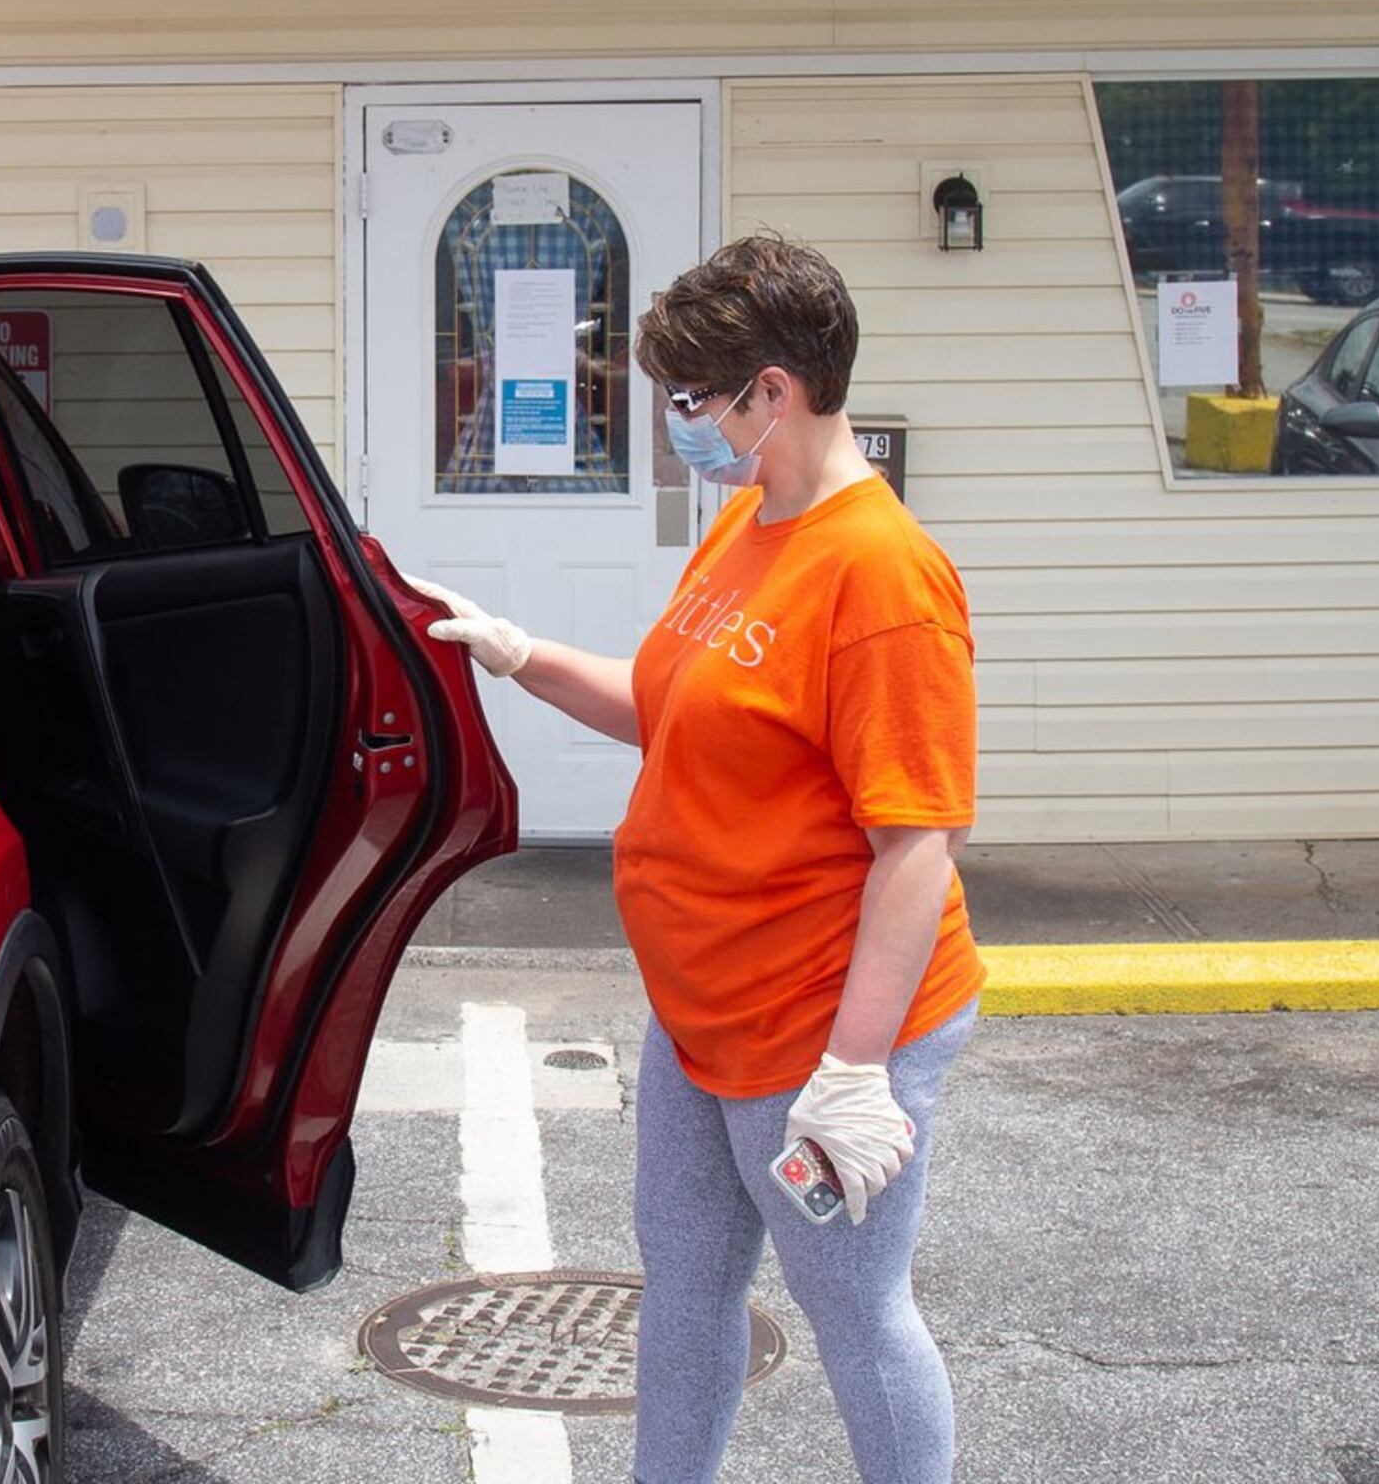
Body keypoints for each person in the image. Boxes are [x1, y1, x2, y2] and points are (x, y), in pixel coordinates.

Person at [411, 232, 982, 1484]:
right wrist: (516, 652)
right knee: (684, 1287)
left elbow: (916, 849)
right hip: (704, 1009)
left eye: (689, 398)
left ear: (770, 392)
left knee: (854, 1318)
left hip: (813, 1030)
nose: (680, 422)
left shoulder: (882, 579)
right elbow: (670, 704)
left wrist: (854, 1069)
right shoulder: (749, 529)